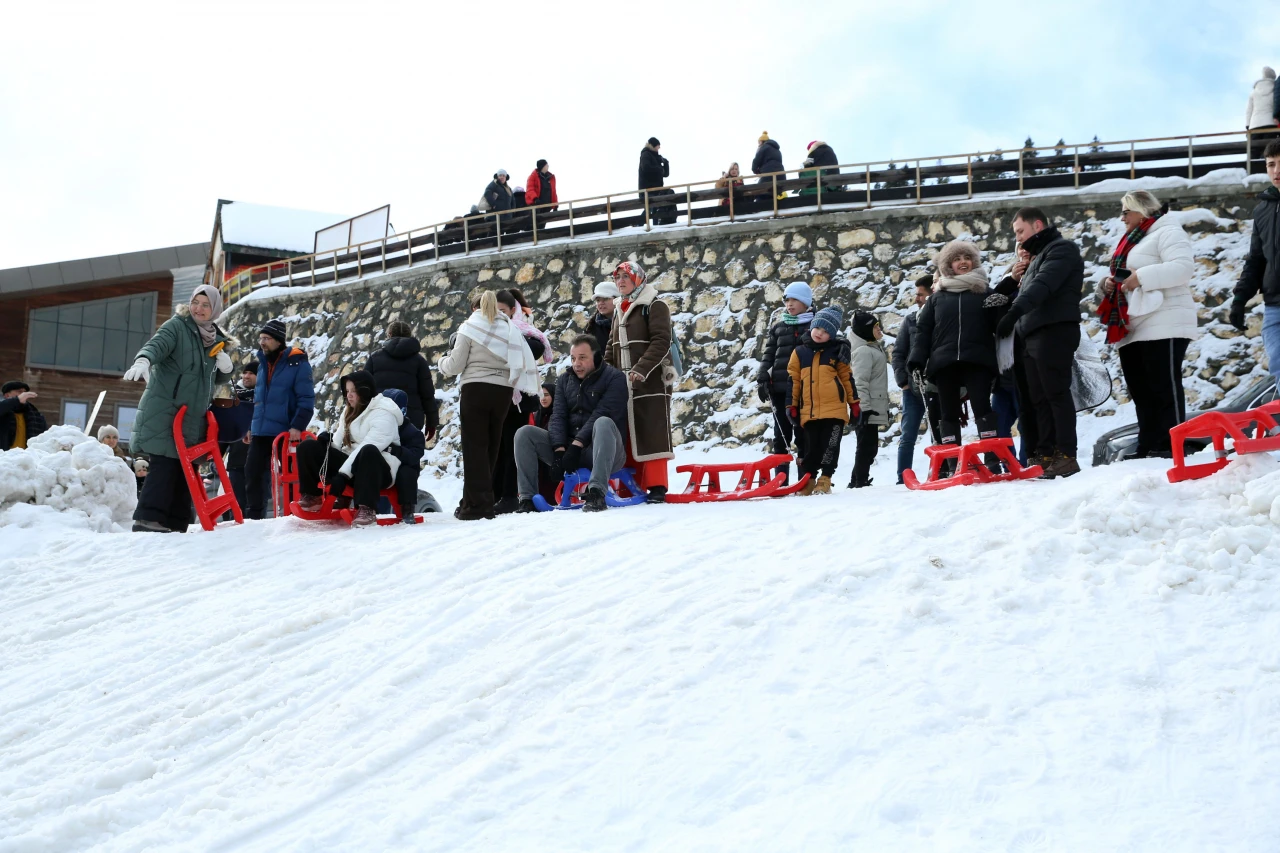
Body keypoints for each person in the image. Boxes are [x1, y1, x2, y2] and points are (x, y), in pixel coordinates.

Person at [123, 285, 234, 532]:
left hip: (193, 417)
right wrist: (143, 360)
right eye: (196, 302)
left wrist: (226, 370)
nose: (199, 308)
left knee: (187, 468)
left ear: (214, 309)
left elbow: (212, 380)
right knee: (164, 462)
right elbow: (157, 345)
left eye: (206, 305)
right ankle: (148, 519)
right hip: (166, 410)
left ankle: (177, 521)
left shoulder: (215, 339)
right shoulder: (177, 326)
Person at [1094, 191, 1197, 457]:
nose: (1122, 217)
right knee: (1141, 389)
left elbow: (1183, 268)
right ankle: (1148, 443)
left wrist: (1141, 277)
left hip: (1166, 319)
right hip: (1134, 323)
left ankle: (1170, 445)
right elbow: (1124, 276)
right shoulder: (1132, 240)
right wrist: (1107, 284)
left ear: (1142, 210)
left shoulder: (1167, 231)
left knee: (1164, 385)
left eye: (1126, 211)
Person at [996, 207, 1085, 479]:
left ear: (1037, 225)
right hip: (1032, 333)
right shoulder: (1035, 258)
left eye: (1020, 231)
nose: (1019, 238)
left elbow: (1042, 286)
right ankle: (1045, 454)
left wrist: (1014, 313)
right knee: (1038, 399)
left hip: (1054, 330)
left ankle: (1066, 455)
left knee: (1056, 394)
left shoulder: (1061, 249)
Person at [911, 241, 1010, 475]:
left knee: (982, 408)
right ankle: (953, 461)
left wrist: (1001, 309)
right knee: (948, 412)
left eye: (967, 257)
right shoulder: (937, 297)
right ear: (948, 265)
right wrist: (916, 360)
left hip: (977, 359)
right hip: (944, 362)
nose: (963, 261)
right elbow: (923, 331)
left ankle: (992, 458)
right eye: (957, 259)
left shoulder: (985, 292)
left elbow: (1000, 328)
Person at [438, 290, 538, 520]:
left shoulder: (470, 326)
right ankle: (482, 500)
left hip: (476, 389)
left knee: (475, 449)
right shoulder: (509, 327)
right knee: (492, 448)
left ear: (478, 307)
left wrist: (442, 361)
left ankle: (477, 506)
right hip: (502, 391)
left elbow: (455, 365)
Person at [514, 335, 629, 513]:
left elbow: (604, 412)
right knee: (525, 433)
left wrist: (576, 446)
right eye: (573, 358)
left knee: (603, 422)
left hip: (604, 451)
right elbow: (557, 416)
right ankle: (527, 499)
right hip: (570, 451)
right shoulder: (564, 381)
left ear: (596, 357)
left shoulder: (615, 378)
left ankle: (597, 493)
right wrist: (559, 451)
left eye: (582, 358)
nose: (576, 363)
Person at [605, 261, 675, 503]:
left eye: (626, 276)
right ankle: (629, 485)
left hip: (652, 382)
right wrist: (604, 374)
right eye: (618, 277)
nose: (621, 281)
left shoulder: (654, 305)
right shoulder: (619, 308)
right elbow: (611, 346)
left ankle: (656, 487)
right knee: (627, 432)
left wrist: (641, 369)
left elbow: (661, 341)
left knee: (652, 431)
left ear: (638, 279)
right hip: (623, 383)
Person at [295, 371, 403, 528]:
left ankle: (367, 508)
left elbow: (366, 447)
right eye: (347, 391)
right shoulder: (349, 411)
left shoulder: (384, 414)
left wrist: (342, 475)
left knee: (368, 451)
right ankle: (313, 497)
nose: (349, 396)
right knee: (308, 447)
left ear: (365, 391)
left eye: (354, 391)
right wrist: (327, 443)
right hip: (352, 465)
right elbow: (339, 442)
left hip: (378, 470)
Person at [244, 319, 315, 520]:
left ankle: (294, 515)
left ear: (278, 340)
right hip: (261, 429)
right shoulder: (262, 364)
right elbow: (258, 399)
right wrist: (250, 426)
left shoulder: (297, 364)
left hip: (286, 430)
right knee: (253, 473)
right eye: (261, 339)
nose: (262, 343)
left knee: (291, 476)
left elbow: (306, 398)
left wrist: (298, 425)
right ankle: (254, 518)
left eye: (266, 338)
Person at [493, 288, 551, 513]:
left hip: (520, 400)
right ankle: (497, 494)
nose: (500, 315)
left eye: (503, 311)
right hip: (499, 396)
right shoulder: (489, 330)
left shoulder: (524, 329)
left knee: (511, 448)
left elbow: (536, 348)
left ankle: (509, 495)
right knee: (497, 449)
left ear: (513, 310)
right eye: (495, 311)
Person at [787, 305, 854, 495]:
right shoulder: (800, 352)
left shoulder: (837, 351)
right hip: (810, 410)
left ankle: (825, 478)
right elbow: (794, 381)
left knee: (830, 445)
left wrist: (854, 403)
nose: (820, 334)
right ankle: (809, 479)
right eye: (818, 328)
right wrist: (790, 405)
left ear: (831, 336)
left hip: (834, 409)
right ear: (812, 327)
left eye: (826, 332)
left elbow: (847, 378)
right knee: (810, 447)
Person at [1232, 140, 1280, 386]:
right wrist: (1240, 299)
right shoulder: (1263, 210)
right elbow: (1256, 260)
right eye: (1271, 164)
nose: (1276, 171)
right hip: (1274, 307)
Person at [757, 281, 814, 483]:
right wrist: (763, 377)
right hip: (780, 388)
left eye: (794, 300)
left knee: (802, 433)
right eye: (787, 300)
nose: (789, 304)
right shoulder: (779, 328)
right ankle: (780, 479)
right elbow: (769, 355)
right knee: (781, 434)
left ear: (806, 303)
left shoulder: (814, 326)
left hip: (804, 389)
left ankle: (804, 479)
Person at [892, 275, 942, 484]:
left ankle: (939, 473)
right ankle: (902, 477)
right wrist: (903, 381)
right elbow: (898, 352)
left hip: (938, 386)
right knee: (908, 436)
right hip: (912, 389)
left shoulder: (942, 316)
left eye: (920, 295)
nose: (916, 299)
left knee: (939, 434)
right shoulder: (910, 320)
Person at [365, 320, 439, 436]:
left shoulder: (375, 358)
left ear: (389, 335)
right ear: (409, 336)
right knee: (406, 452)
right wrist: (432, 422)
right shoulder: (419, 361)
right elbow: (427, 394)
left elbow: (363, 390)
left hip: (380, 416)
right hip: (411, 419)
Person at [848, 312, 890, 488]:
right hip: (867, 407)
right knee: (866, 446)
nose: (879, 329)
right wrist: (863, 409)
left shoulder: (872, 347)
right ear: (866, 330)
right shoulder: (864, 351)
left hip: (873, 405)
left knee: (869, 446)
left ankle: (857, 480)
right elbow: (859, 382)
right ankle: (859, 481)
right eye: (874, 326)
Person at [381, 388, 427, 524]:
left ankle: (407, 507)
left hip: (401, 469)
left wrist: (396, 450)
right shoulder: (377, 427)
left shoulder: (412, 432)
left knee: (408, 471)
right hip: (383, 470)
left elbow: (415, 455)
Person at [220, 362, 257, 518]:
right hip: (236, 462)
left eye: (251, 373)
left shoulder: (265, 399)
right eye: (245, 373)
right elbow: (226, 429)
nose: (246, 376)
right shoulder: (235, 399)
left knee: (254, 504)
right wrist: (217, 453)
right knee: (235, 506)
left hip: (258, 460)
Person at [1, 381, 48, 450]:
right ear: (7, 395)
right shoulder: (3, 411)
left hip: (25, 458)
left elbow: (44, 438)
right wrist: (17, 400)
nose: (23, 394)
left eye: (24, 392)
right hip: (4, 457)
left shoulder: (35, 415)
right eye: (19, 391)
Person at [638, 138, 675, 225]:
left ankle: (642, 223)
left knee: (664, 197)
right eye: (658, 146)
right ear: (653, 146)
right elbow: (646, 168)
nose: (659, 148)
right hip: (647, 189)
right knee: (652, 205)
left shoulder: (656, 157)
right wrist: (659, 168)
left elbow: (665, 174)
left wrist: (666, 164)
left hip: (656, 189)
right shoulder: (646, 154)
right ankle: (643, 224)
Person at [589, 281, 619, 354]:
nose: (601, 303)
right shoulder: (591, 327)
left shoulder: (629, 322)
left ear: (617, 299)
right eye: (598, 300)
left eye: (605, 299)